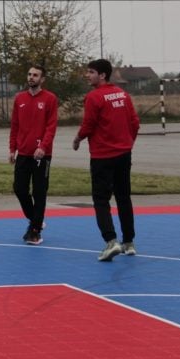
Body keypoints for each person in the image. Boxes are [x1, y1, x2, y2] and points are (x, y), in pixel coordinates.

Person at [72, 58, 141, 262]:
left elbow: (89, 124)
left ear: (102, 75)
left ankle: (111, 241)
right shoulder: (123, 95)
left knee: (101, 200)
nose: (88, 75)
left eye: (91, 72)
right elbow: (135, 123)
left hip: (103, 156)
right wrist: (128, 143)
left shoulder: (93, 97)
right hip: (123, 154)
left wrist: (78, 138)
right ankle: (129, 242)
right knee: (123, 197)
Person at [8, 64, 58, 245]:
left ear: (42, 79)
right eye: (29, 74)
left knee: (39, 192)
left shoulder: (50, 99)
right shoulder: (19, 98)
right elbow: (15, 126)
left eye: (35, 75)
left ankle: (35, 231)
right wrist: (12, 149)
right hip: (23, 153)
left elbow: (51, 127)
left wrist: (43, 147)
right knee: (19, 188)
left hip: (41, 155)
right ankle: (36, 220)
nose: (31, 77)